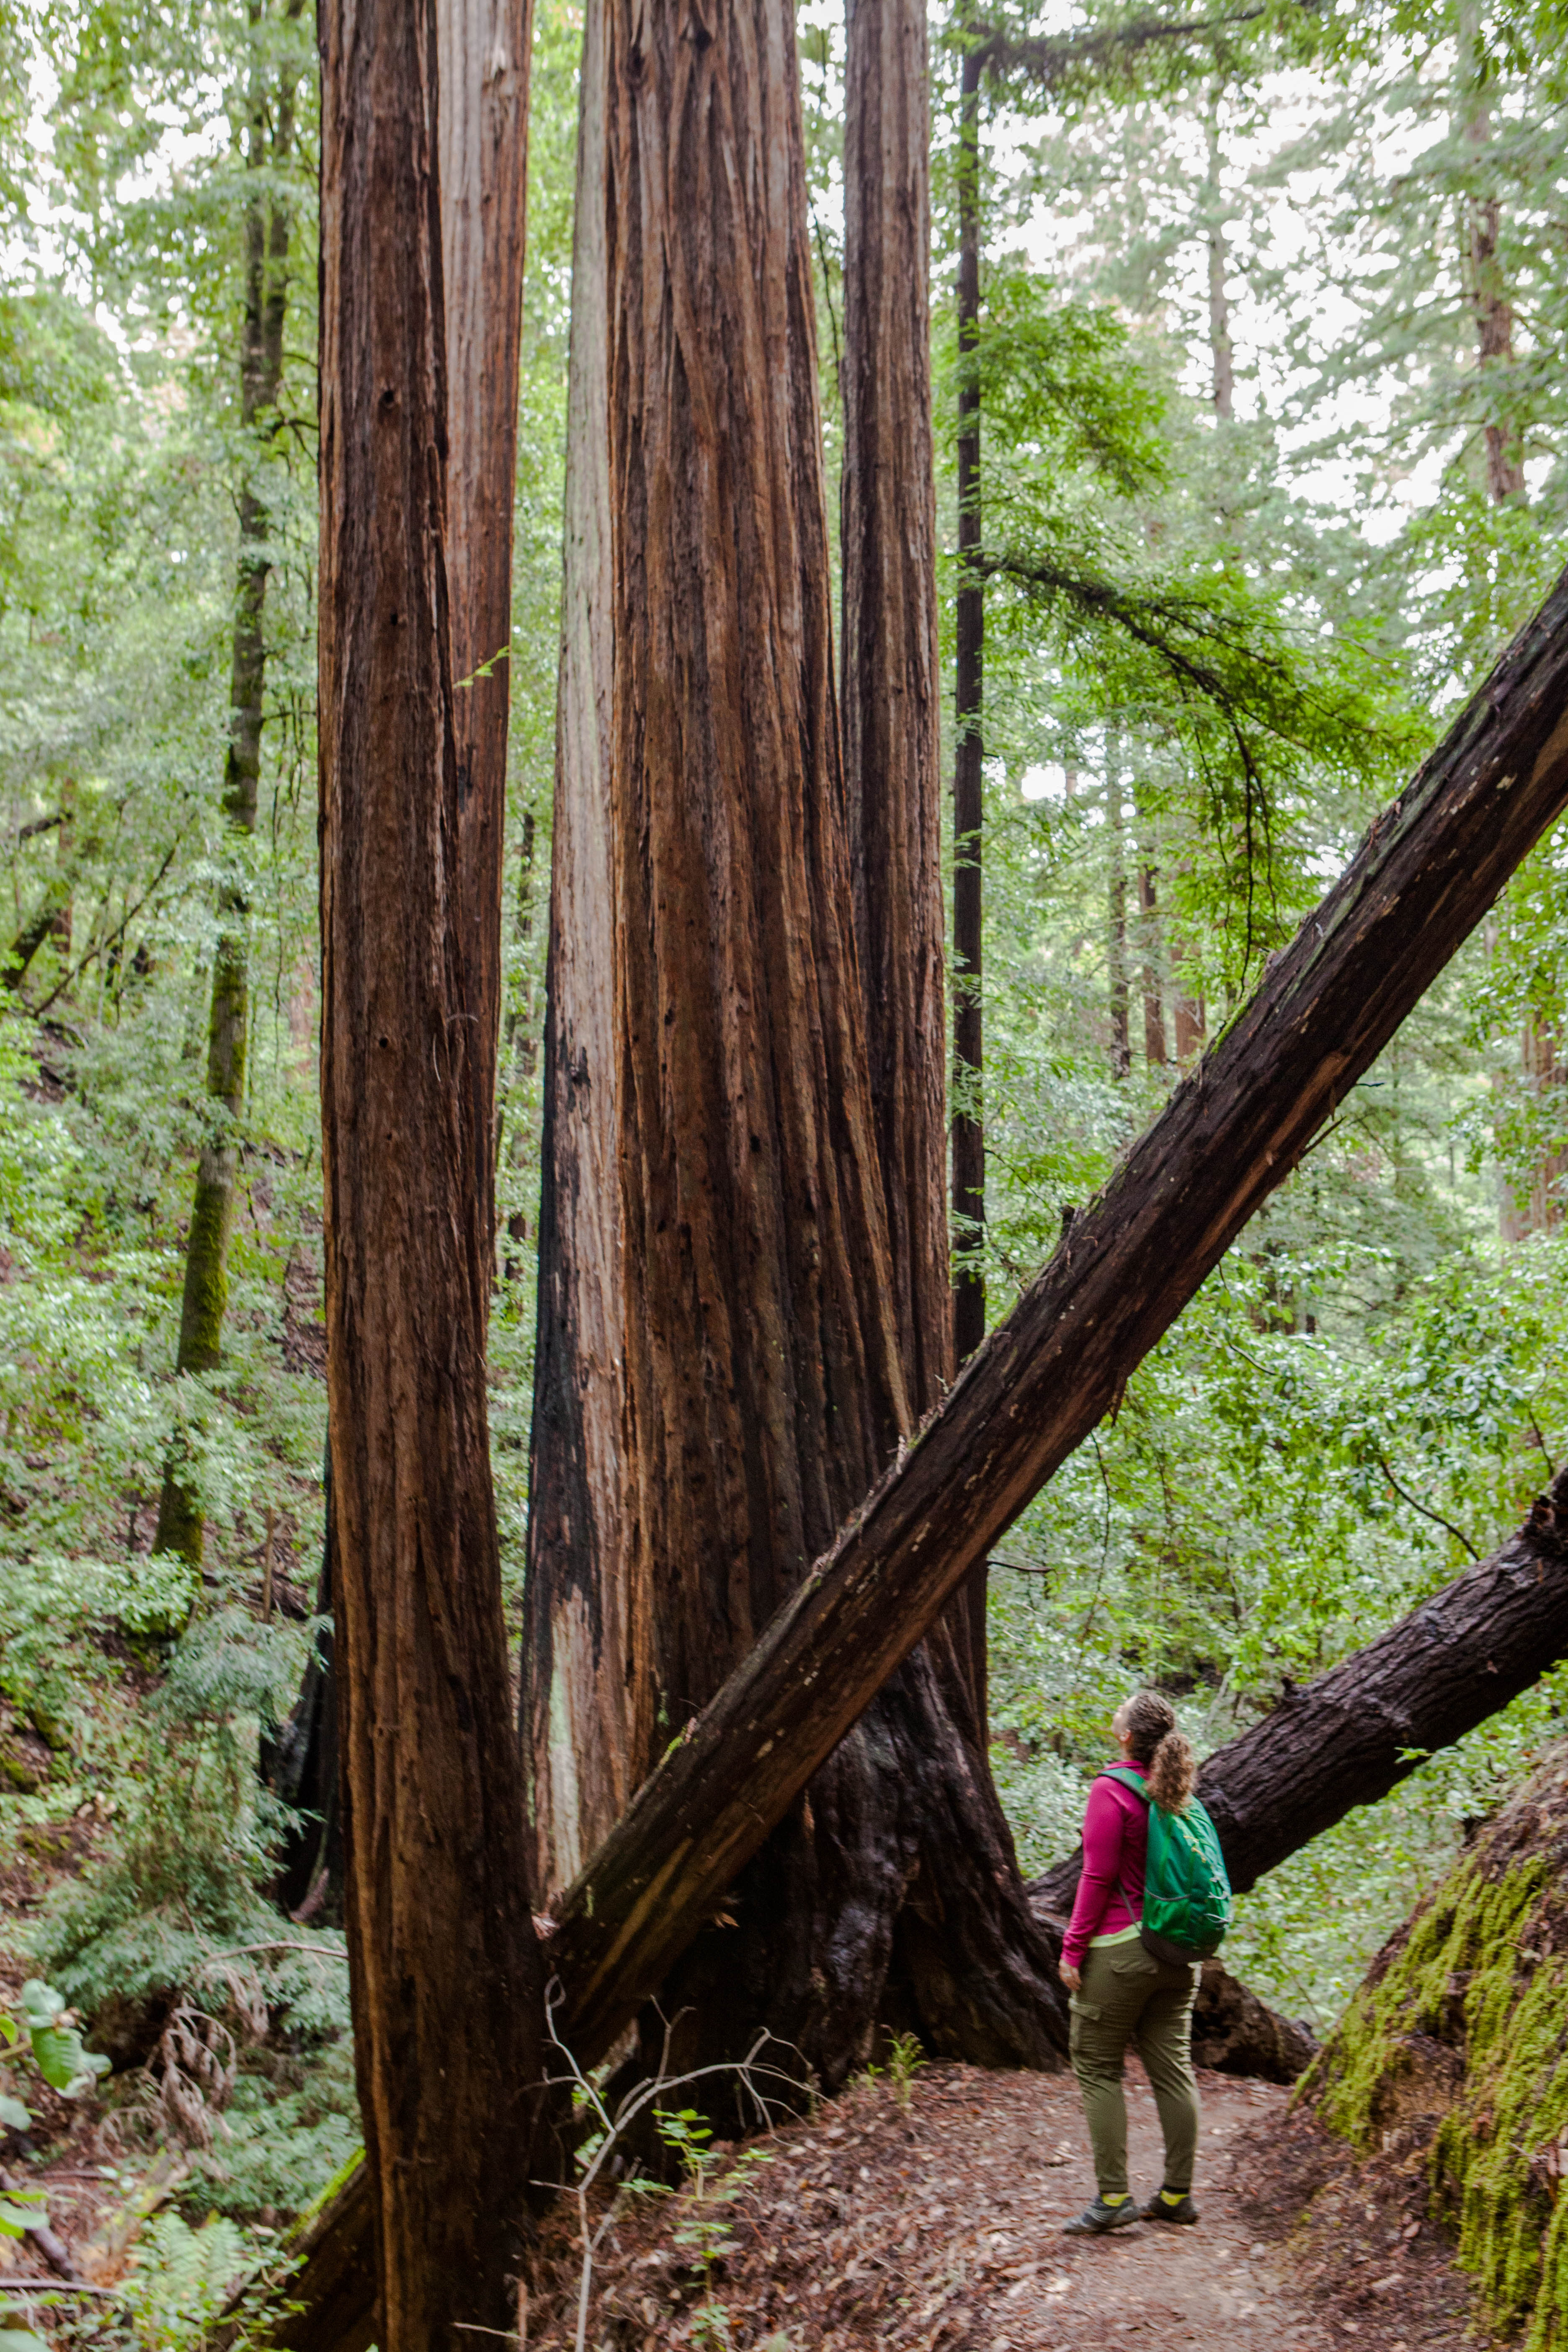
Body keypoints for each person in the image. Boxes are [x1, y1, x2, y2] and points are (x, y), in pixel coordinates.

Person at [1057, 1689, 1202, 2236]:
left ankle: (1114, 2197)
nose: (1114, 1713)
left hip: (1121, 1950)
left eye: (1120, 1710)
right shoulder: (1175, 1790)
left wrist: (1072, 1949)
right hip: (1176, 1952)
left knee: (1096, 2066)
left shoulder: (1111, 1790)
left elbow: (1096, 1877)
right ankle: (1176, 2195)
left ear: (1126, 1735)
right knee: (1173, 2069)